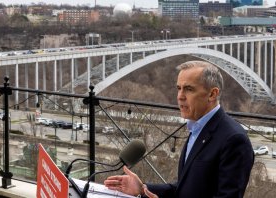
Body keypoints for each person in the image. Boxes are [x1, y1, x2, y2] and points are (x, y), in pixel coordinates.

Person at [104, 60, 254, 198]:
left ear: (212, 94)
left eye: (189, 89)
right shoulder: (197, 129)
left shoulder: (234, 139)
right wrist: (142, 189)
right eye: (179, 88)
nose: (180, 96)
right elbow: (184, 189)